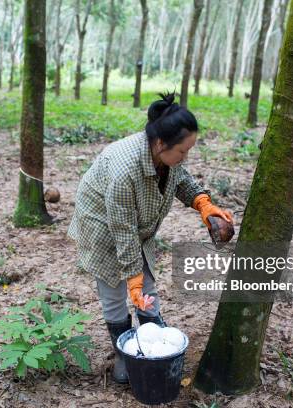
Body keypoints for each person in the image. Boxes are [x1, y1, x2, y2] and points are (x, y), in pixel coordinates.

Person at [67, 92, 234, 383]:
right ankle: (124, 352)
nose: (185, 157)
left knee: (147, 287)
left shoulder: (166, 155)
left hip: (134, 227)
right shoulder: (124, 170)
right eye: (182, 151)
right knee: (116, 293)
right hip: (101, 226)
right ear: (160, 144)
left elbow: (181, 179)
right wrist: (132, 278)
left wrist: (203, 204)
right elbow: (123, 230)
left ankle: (151, 336)